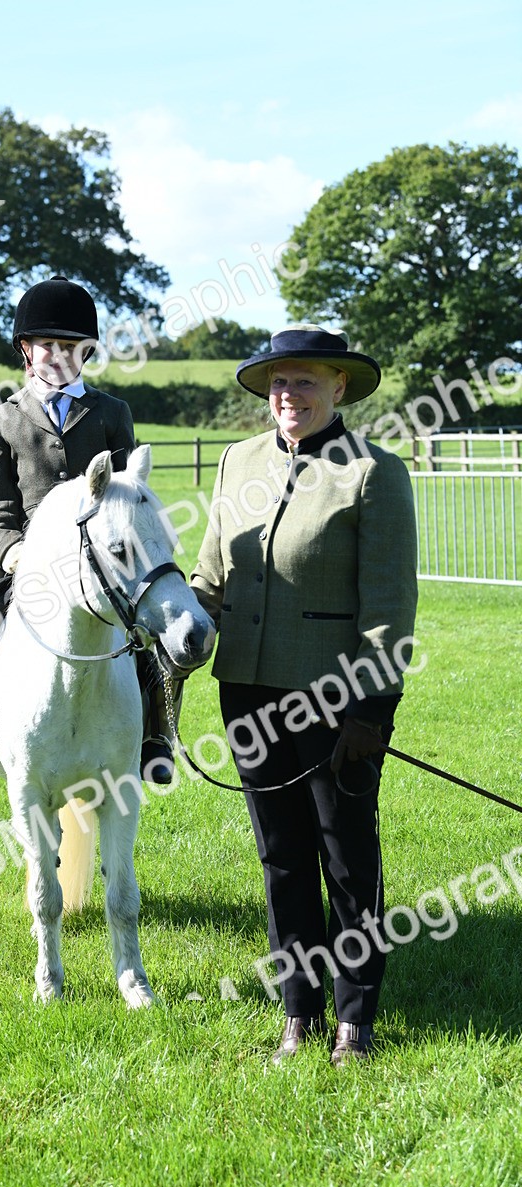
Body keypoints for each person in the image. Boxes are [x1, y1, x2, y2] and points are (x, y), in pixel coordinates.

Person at [190, 324, 418, 1066]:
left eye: (306, 382)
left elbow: (388, 606)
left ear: (339, 387)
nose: (290, 395)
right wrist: (174, 628)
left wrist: (372, 709)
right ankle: (300, 1013)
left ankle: (355, 1020)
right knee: (281, 857)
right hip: (246, 693)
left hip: (334, 701)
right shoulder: (237, 461)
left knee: (346, 858)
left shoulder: (373, 474)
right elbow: (211, 575)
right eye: (279, 382)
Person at [0, 275, 175, 784]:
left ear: (87, 352)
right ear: (26, 349)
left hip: (99, 553)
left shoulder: (111, 413)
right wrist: (12, 551)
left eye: (71, 346)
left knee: (150, 620)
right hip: (17, 552)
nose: (59, 355)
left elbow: (126, 493)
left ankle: (156, 735)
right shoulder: (4, 418)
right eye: (48, 346)